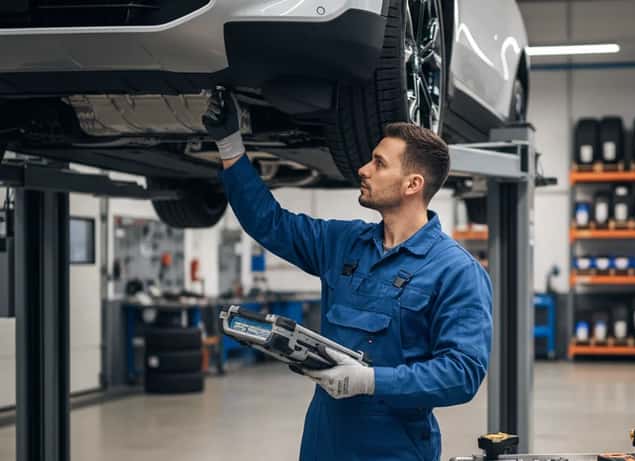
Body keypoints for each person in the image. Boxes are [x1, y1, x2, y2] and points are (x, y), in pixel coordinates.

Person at [203, 90, 493, 461]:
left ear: (412, 184)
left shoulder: (456, 272)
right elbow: (270, 223)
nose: (363, 169)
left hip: (393, 450)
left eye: (379, 163)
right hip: (324, 442)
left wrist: (371, 382)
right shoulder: (343, 243)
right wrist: (229, 145)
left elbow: (462, 373)